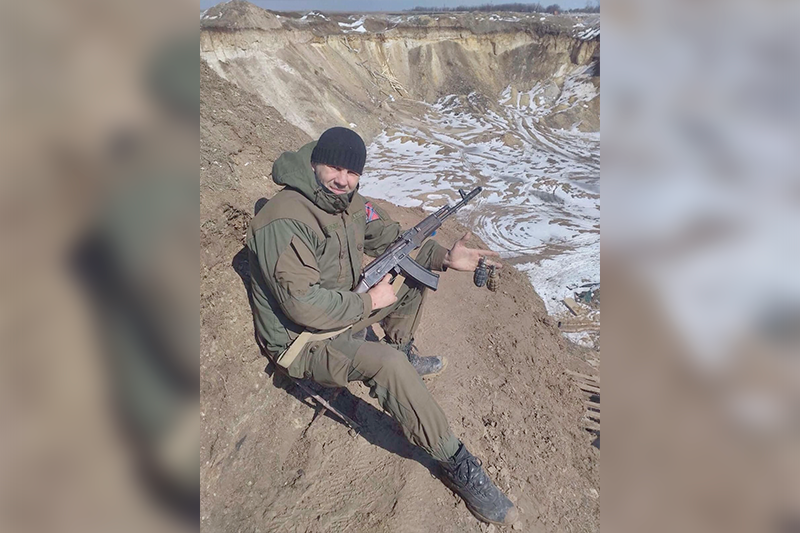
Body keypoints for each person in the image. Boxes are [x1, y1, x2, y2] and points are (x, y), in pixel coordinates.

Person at [246, 127, 518, 525]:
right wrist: (368, 302)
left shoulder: (347, 202)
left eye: (352, 172)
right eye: (334, 167)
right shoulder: (284, 219)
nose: (343, 179)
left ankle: (402, 348)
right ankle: (458, 463)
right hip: (302, 340)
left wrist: (444, 256)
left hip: (340, 311)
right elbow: (302, 306)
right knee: (388, 364)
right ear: (314, 162)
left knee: (411, 266)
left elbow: (391, 238)